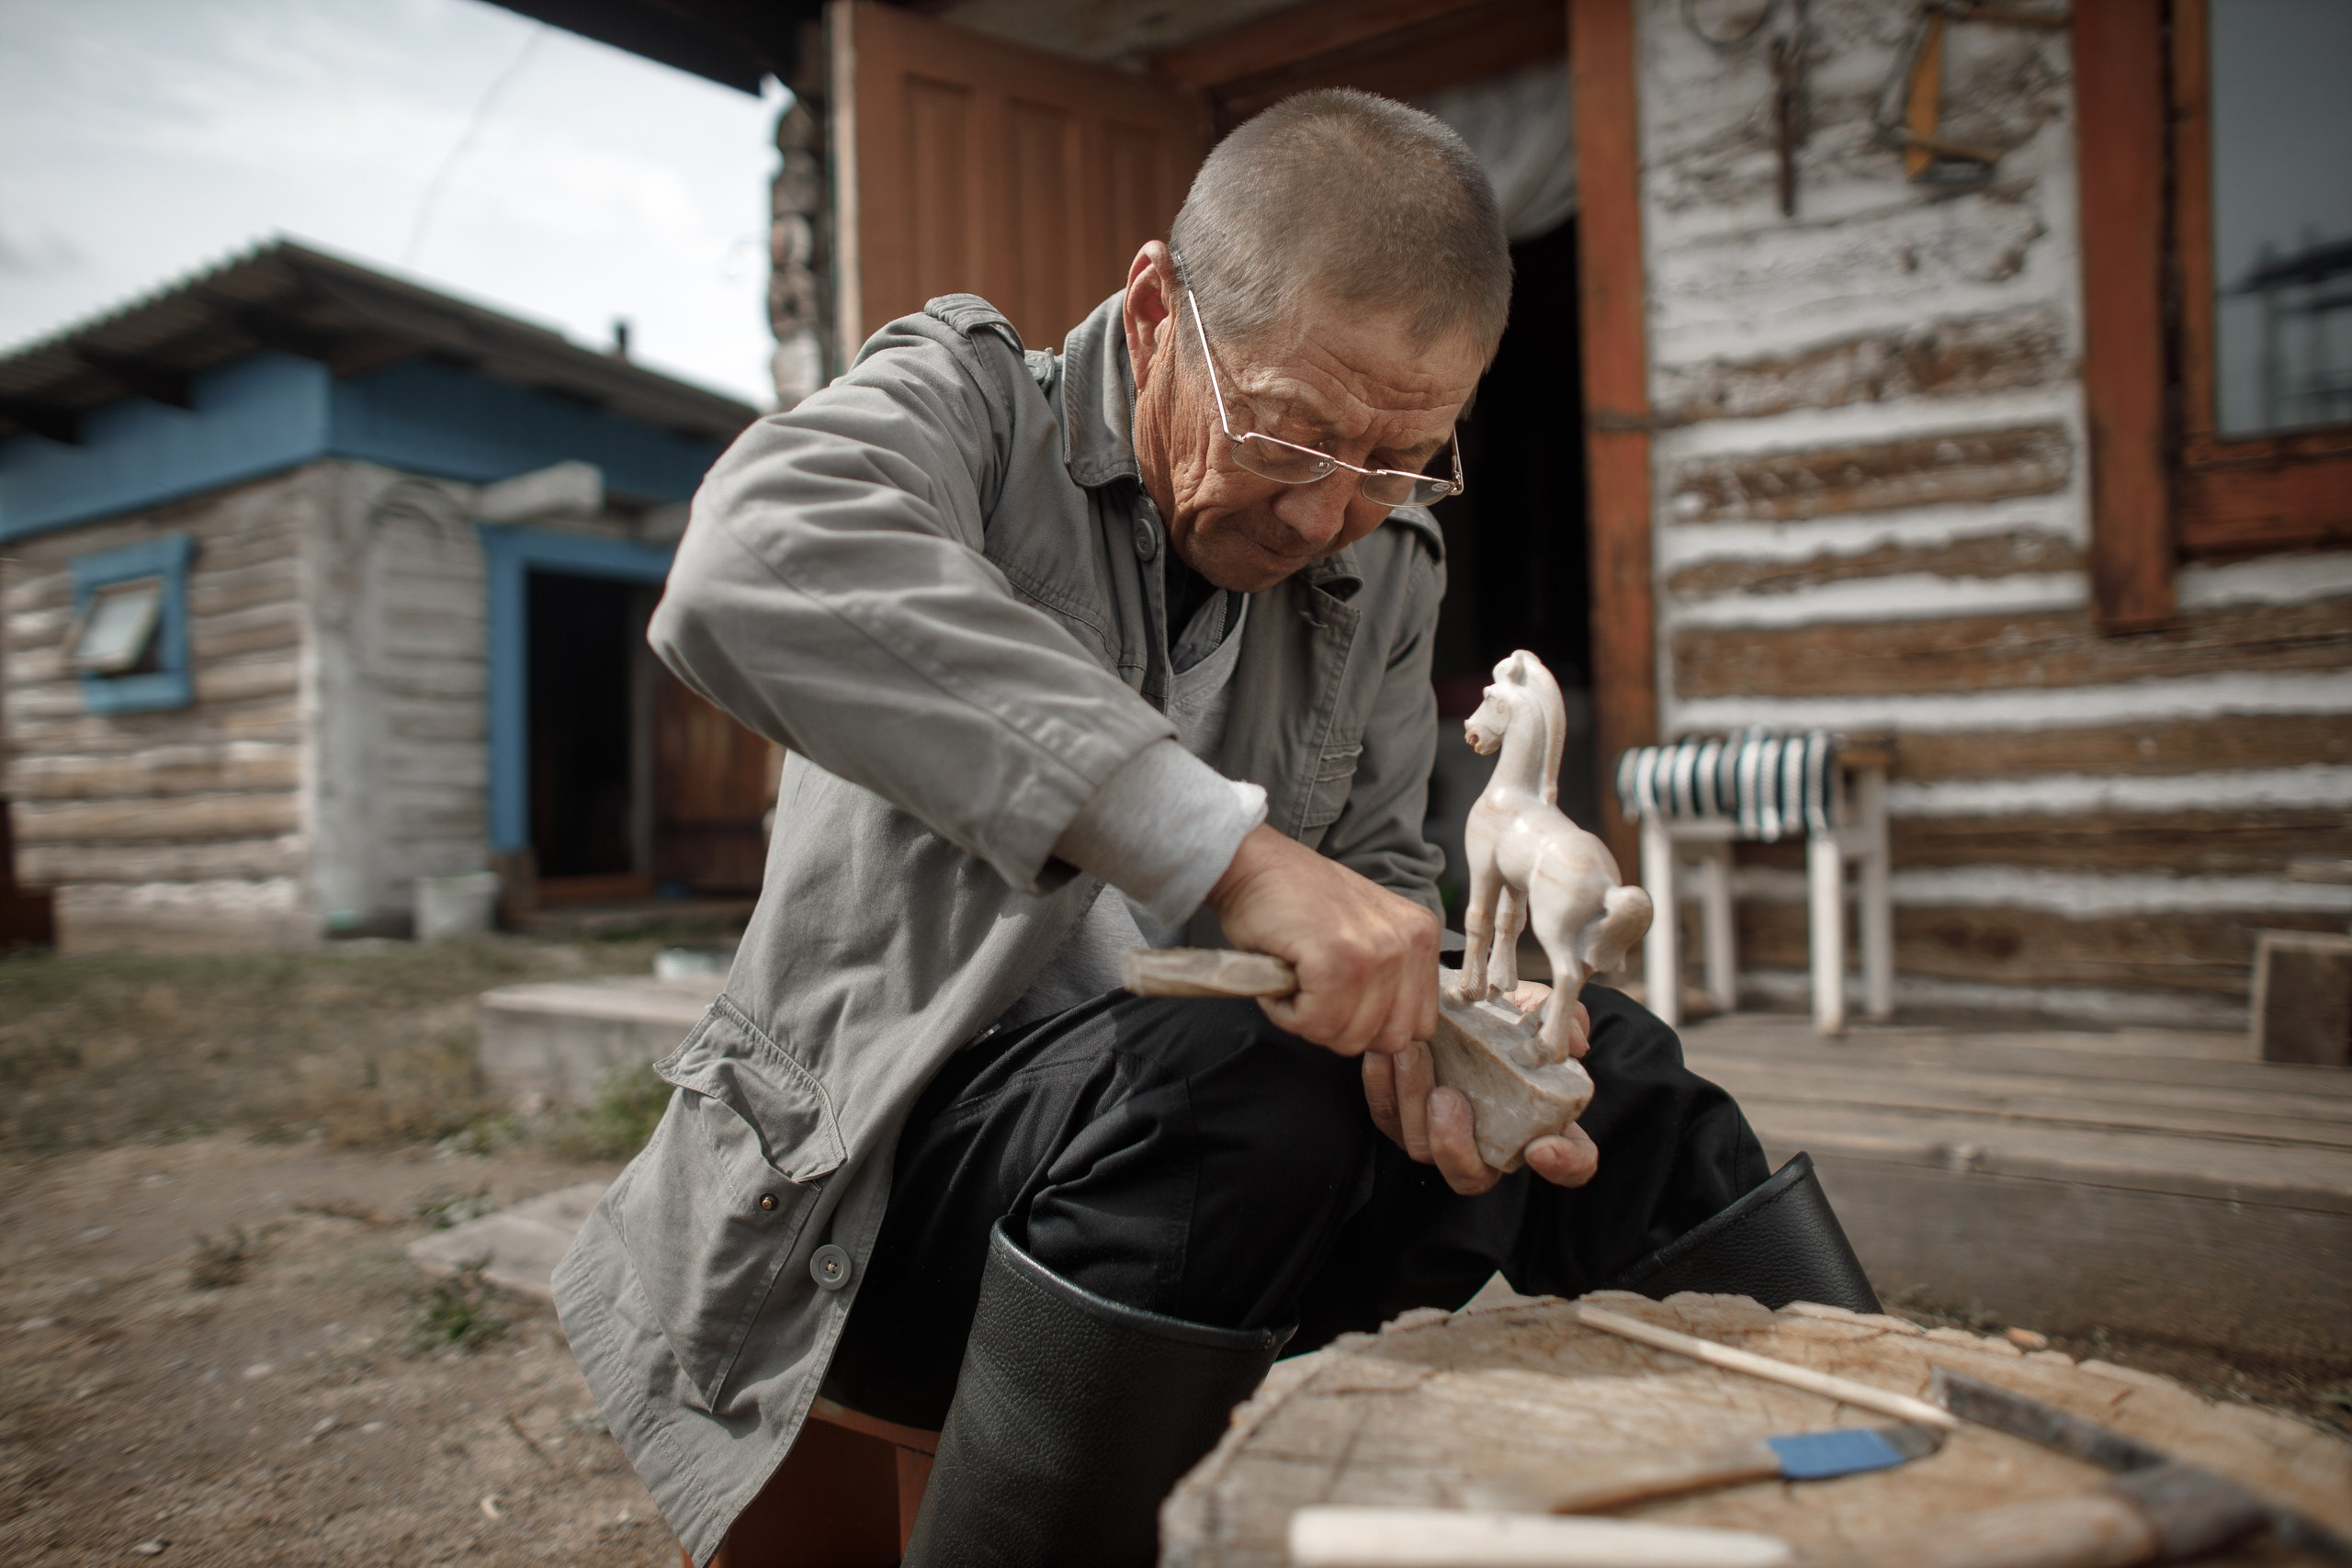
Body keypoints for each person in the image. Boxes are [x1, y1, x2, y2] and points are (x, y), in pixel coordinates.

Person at [553, 88, 1877, 1568]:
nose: (1328, 517)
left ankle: (1896, 1483)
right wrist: (1230, 860)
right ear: (1150, 309)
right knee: (1230, 1086)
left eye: (1398, 462)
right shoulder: (979, 412)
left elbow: (1372, 882)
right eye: (1292, 437)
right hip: (875, 1188)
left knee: (1604, 1076)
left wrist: (1428, 1042)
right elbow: (750, 560)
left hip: (1197, 1173)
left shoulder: (1388, 568)